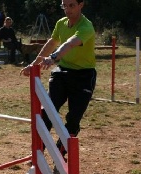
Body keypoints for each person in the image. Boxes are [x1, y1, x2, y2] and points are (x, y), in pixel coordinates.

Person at [20, 0, 96, 161]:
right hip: (62, 72)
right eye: (64, 5)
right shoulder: (61, 23)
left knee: (73, 120)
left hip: (83, 76)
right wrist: (34, 64)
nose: (67, 9)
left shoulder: (86, 27)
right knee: (46, 112)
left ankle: (60, 153)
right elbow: (52, 42)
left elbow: (70, 44)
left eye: (71, 5)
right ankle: (37, 153)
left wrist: (53, 57)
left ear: (81, 5)